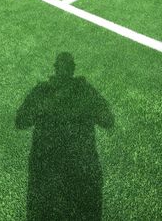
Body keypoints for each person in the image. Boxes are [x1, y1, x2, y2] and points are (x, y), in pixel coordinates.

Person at [16, 52, 114, 220]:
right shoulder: (80, 91)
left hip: (52, 173)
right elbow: (107, 120)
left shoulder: (46, 92)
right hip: (74, 172)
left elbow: (21, 121)